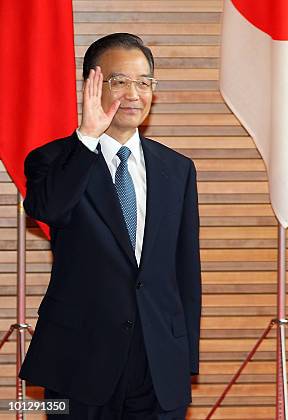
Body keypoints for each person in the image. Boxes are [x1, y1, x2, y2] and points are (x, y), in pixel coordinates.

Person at [19, 33, 201, 419]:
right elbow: (46, 209)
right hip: (80, 362)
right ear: (93, 84)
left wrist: (185, 358)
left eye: (144, 82)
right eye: (120, 81)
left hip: (158, 363)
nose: (133, 94)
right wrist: (86, 136)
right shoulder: (53, 160)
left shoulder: (177, 169)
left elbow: (186, 271)